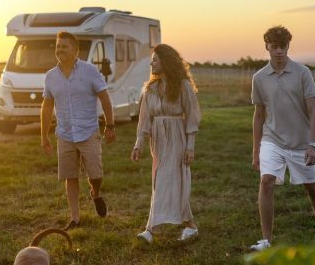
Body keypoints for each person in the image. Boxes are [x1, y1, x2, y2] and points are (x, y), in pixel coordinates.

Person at [249, 26, 315, 251]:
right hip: (272, 139)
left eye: (283, 46)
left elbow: (314, 111)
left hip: (300, 142)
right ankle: (266, 240)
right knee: (266, 182)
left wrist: (313, 145)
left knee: (312, 188)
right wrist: (256, 150)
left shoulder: (302, 73)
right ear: (267, 46)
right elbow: (258, 115)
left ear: (288, 46)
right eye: (274, 46)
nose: (278, 51)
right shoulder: (259, 78)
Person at [41, 31, 116, 229]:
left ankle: (95, 192)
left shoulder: (89, 71)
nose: (60, 50)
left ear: (75, 50)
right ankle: (75, 218)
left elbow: (104, 97)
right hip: (64, 133)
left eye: (64, 46)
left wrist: (110, 125)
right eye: (58, 46)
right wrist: (44, 135)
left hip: (88, 131)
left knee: (96, 174)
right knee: (70, 176)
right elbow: (47, 106)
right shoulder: (50, 77)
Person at [130, 44, 202, 243]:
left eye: (155, 59)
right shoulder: (150, 89)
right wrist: (139, 144)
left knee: (173, 179)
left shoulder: (182, 86)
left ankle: (152, 229)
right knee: (160, 178)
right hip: (158, 139)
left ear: (166, 62)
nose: (151, 63)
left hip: (178, 136)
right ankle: (188, 225)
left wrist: (190, 146)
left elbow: (193, 115)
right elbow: (144, 119)